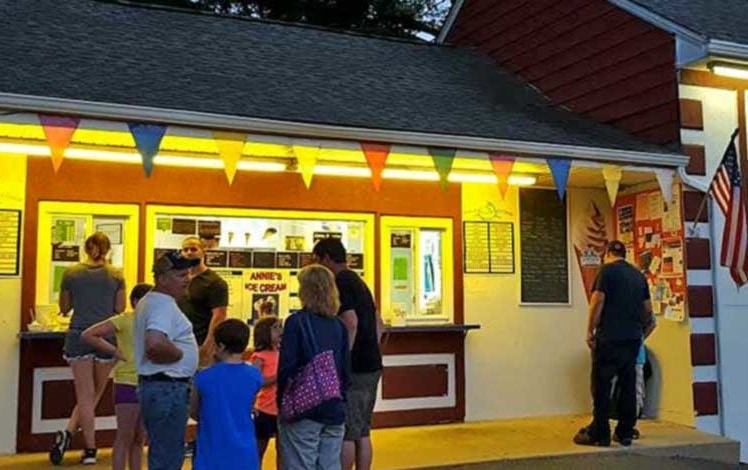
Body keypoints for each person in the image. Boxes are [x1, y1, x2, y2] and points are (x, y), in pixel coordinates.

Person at [51, 232, 126, 466]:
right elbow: (119, 307)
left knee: (84, 394)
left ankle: (87, 446)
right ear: (108, 249)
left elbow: (64, 307)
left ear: (86, 248)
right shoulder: (116, 274)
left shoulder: (71, 273)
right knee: (95, 393)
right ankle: (76, 437)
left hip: (78, 335)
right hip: (105, 336)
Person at [312, 239, 383, 470]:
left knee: (347, 431)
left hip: (355, 368)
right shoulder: (358, 281)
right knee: (362, 429)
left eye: (317, 261)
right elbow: (379, 323)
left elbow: (350, 322)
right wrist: (372, 348)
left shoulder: (340, 282)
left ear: (327, 258)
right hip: (371, 364)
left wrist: (344, 359)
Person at [574, 241, 653, 447]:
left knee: (601, 385)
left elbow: (597, 301)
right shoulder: (638, 276)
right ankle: (625, 431)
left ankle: (600, 432)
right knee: (628, 385)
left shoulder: (606, 272)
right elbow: (648, 310)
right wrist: (639, 333)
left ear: (607, 254)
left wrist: (589, 330)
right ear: (624, 254)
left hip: (609, 337)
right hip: (632, 339)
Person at [277, 264, 351, 470]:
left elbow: (287, 368)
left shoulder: (296, 322)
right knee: (329, 465)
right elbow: (345, 370)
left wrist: (283, 402)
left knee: (300, 463)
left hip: (304, 407)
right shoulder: (339, 325)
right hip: (334, 407)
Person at [134, 251, 200, 470]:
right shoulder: (162, 304)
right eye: (181, 275)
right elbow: (154, 343)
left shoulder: (151, 301)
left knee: (164, 451)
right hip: (167, 387)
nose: (187, 279)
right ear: (162, 278)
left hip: (159, 387)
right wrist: (179, 354)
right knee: (168, 456)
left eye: (188, 273)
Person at [82, 283, 153, 470]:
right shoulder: (124, 320)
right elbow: (89, 335)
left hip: (148, 382)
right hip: (127, 383)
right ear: (136, 302)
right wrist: (115, 351)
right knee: (124, 436)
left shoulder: (157, 324)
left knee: (140, 438)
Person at [189, 319, 264, 470]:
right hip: (245, 453)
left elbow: (194, 412)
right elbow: (249, 405)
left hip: (211, 453)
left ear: (221, 346)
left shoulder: (203, 377)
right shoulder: (254, 376)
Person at [177, 236, 229, 368]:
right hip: (178, 342)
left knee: (200, 384)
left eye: (193, 249)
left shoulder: (215, 282)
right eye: (185, 249)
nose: (189, 252)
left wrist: (208, 346)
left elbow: (219, 316)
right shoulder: (178, 279)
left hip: (200, 342)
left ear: (203, 252)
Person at [249, 316, 283, 469]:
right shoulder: (259, 356)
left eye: (280, 327)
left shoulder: (284, 353)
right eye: (276, 328)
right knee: (258, 448)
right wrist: (278, 377)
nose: (280, 331)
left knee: (283, 450)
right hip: (264, 408)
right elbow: (256, 382)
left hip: (282, 409)